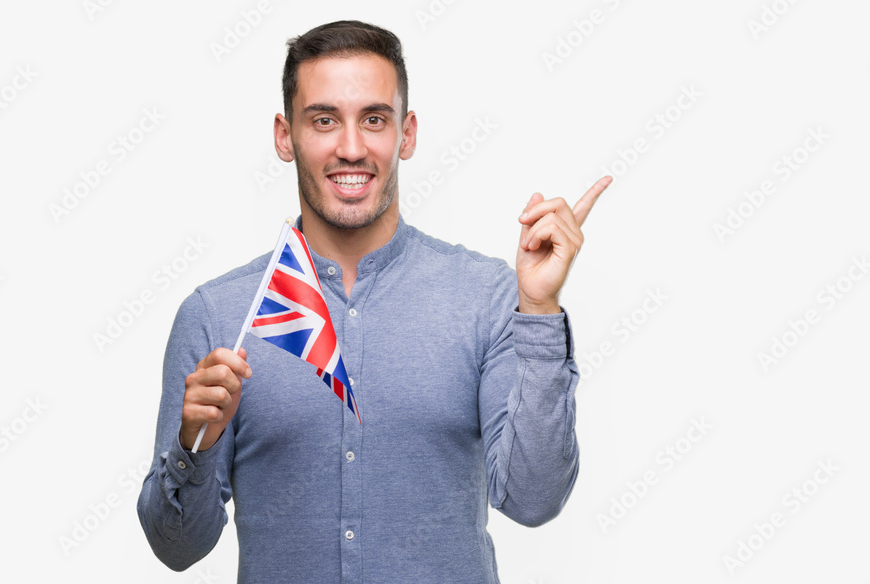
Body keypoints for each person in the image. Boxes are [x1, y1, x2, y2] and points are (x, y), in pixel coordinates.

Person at [137, 19, 611, 583]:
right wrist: (197, 442)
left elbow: (534, 501)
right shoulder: (218, 316)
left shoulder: (488, 298)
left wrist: (539, 311)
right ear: (285, 136)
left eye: (374, 119)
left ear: (406, 134)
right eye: (324, 120)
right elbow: (176, 549)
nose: (352, 148)